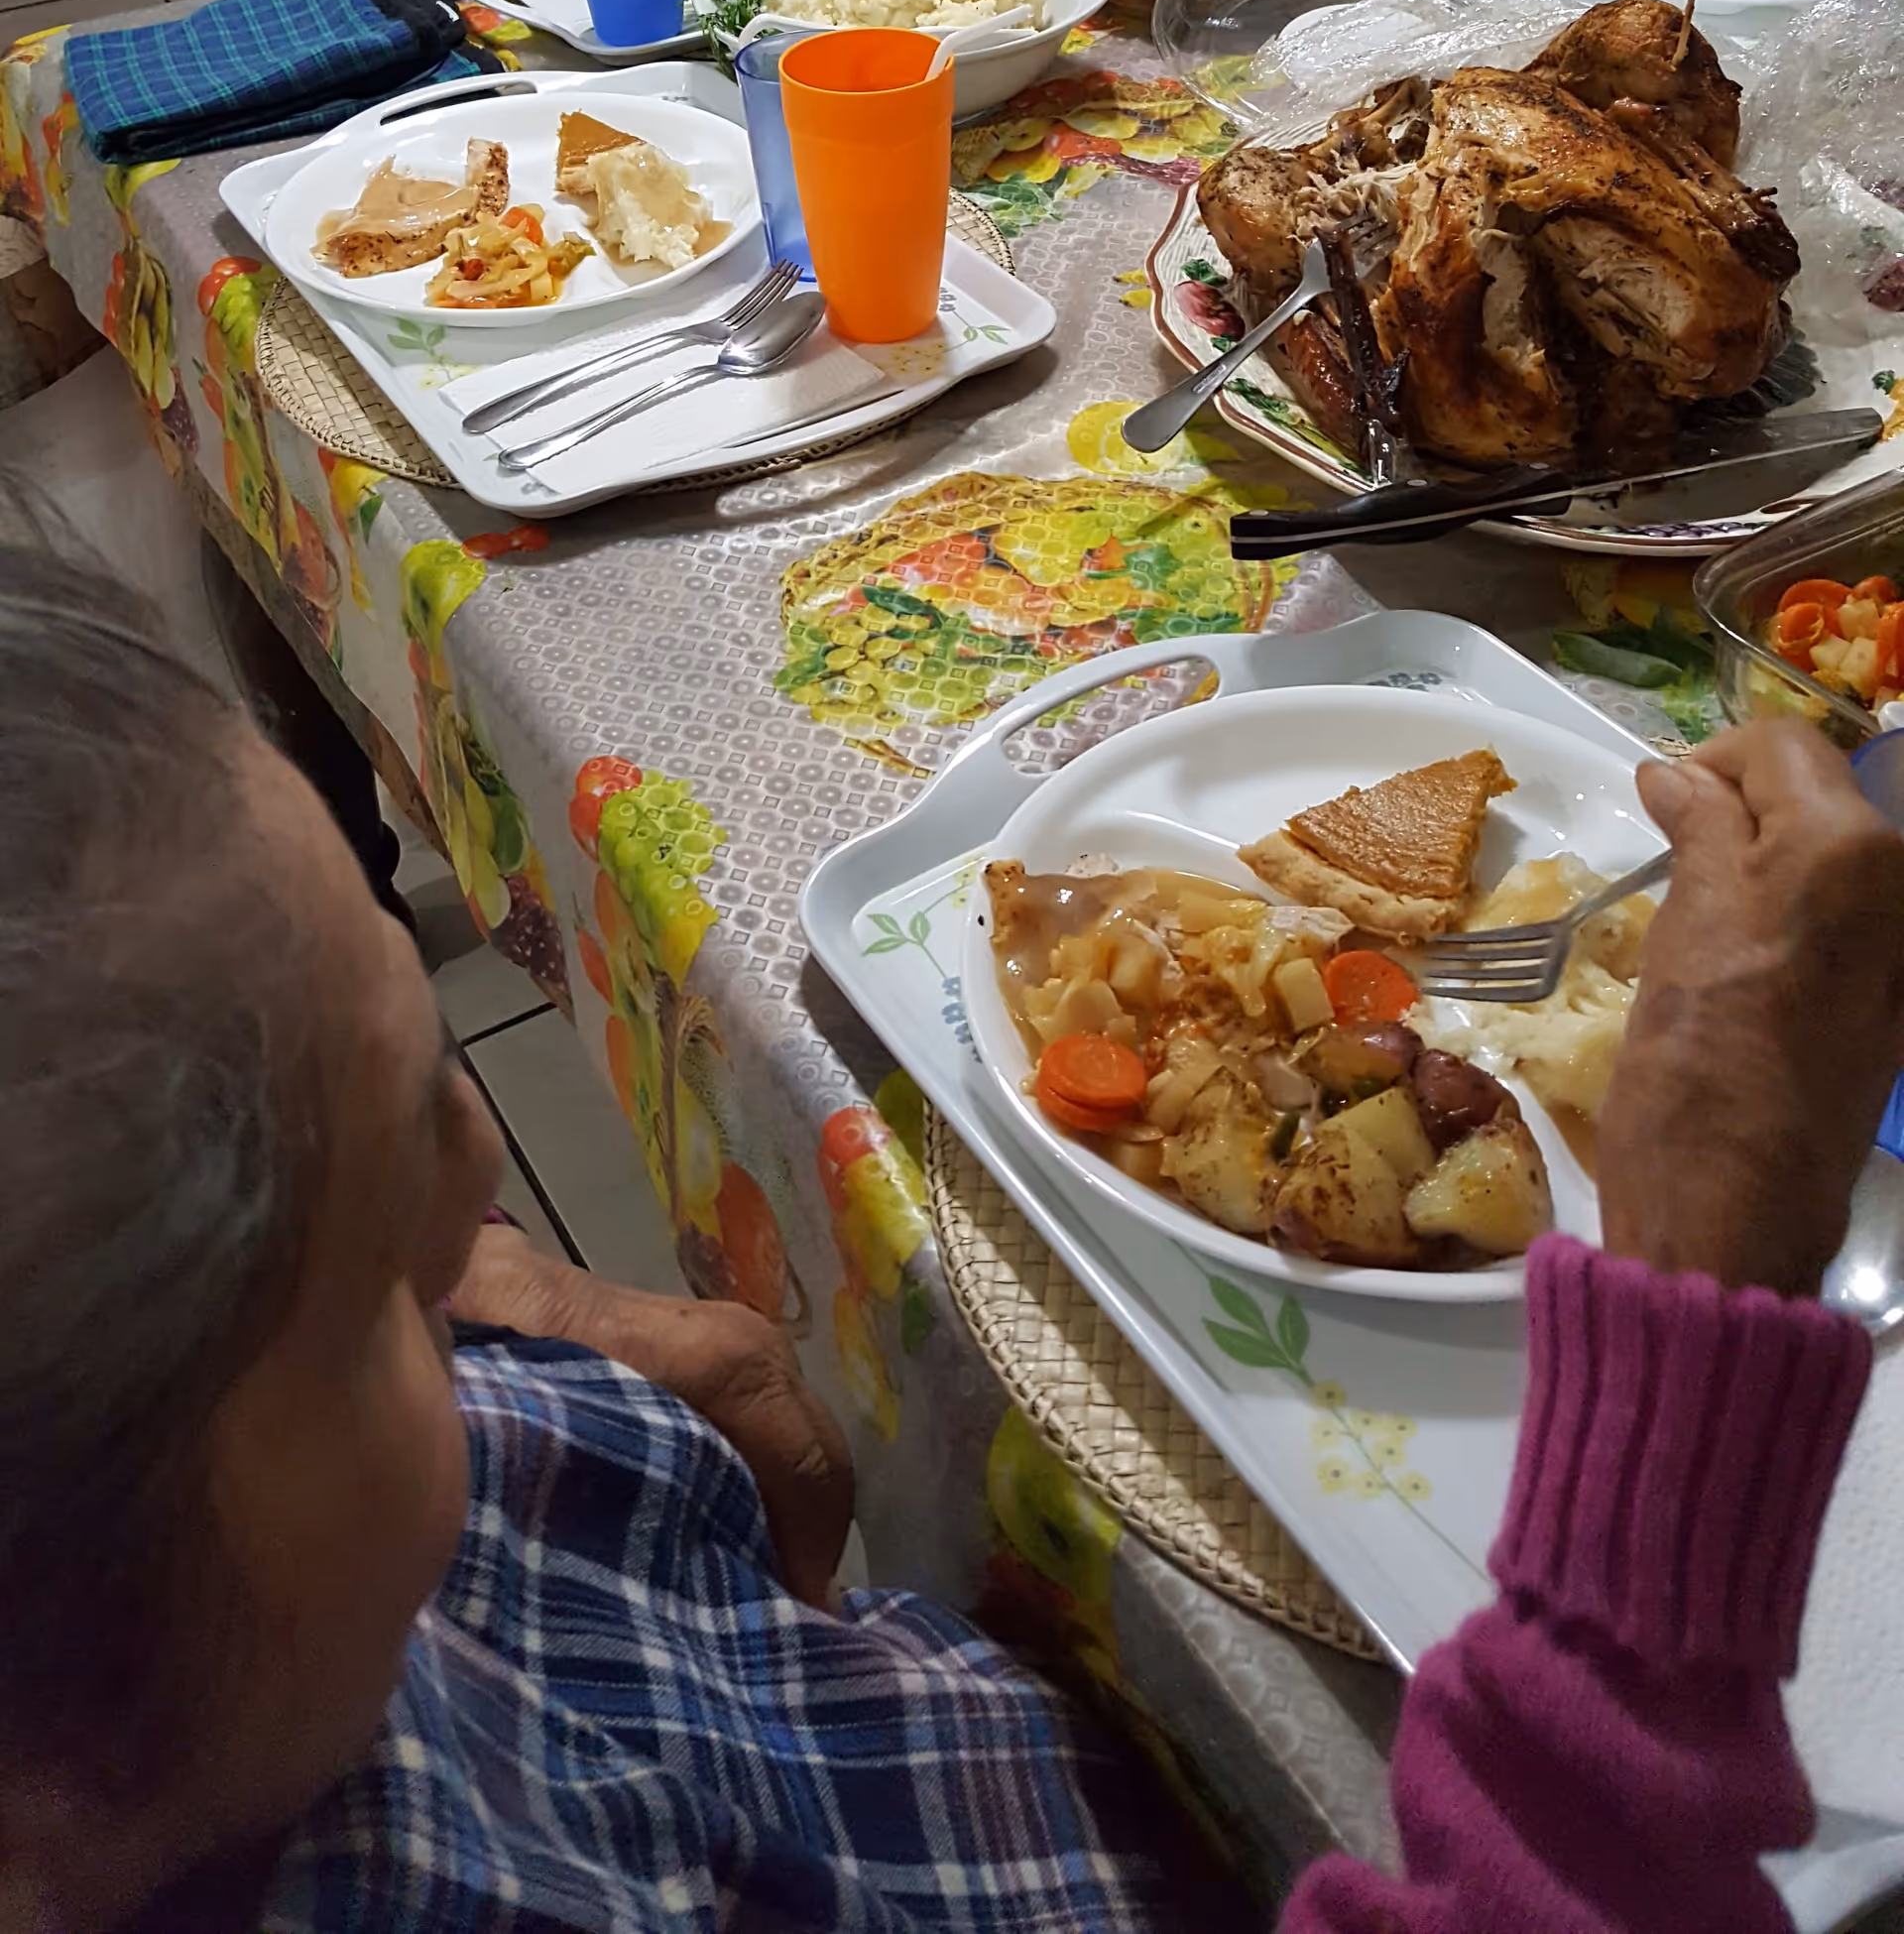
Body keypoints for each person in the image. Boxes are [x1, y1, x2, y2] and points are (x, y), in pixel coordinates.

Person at [1, 556, 1898, 1934]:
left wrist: (495, 1292)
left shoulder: (269, 1567)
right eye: (388, 1304)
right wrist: (1694, 1310)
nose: (479, 1163)